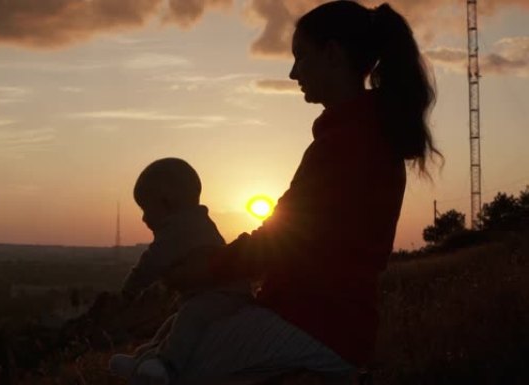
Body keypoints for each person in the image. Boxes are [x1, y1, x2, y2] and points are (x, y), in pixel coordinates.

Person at [163, 1, 441, 383]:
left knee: (173, 367)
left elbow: (281, 239)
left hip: (314, 325)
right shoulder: (368, 134)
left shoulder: (347, 143)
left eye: (301, 57)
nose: (294, 72)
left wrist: (204, 271)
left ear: (332, 54)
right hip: (330, 325)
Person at [108, 158, 253, 384]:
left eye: (146, 209)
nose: (144, 218)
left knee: (187, 320)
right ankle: (145, 359)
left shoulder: (178, 228)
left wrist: (129, 290)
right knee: (174, 323)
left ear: (167, 203)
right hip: (218, 296)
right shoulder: (197, 221)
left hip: (223, 297)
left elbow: (151, 263)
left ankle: (167, 366)